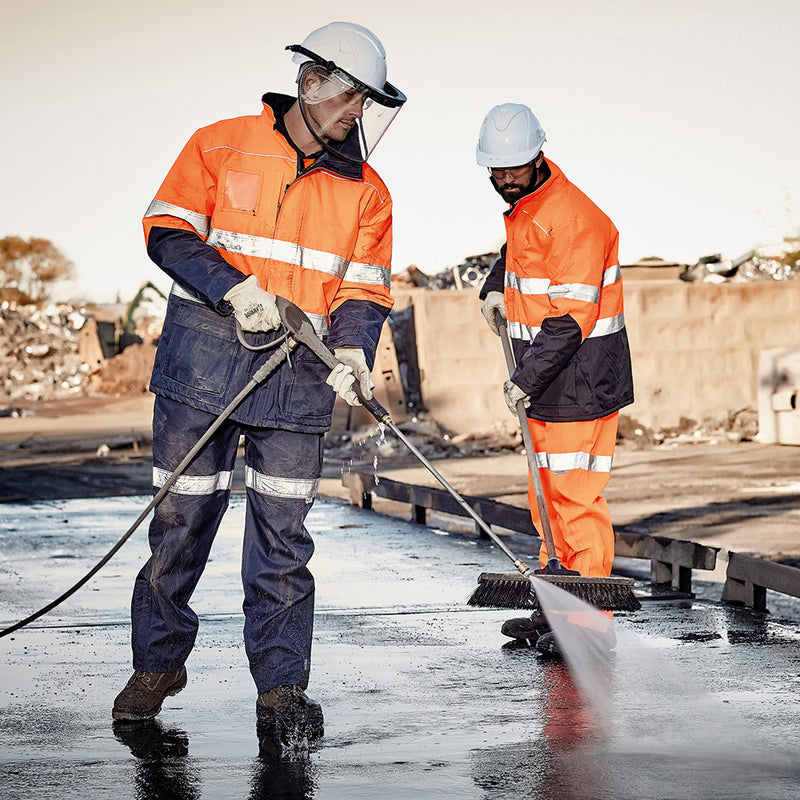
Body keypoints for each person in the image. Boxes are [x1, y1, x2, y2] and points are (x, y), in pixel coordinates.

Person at [112, 22, 406, 739]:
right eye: (348, 98)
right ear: (311, 84)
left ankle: (280, 688)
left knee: (283, 539)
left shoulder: (368, 192)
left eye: (366, 103)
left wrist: (355, 353)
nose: (355, 114)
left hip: (299, 376)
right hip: (204, 365)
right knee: (180, 524)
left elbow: (364, 291)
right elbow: (167, 228)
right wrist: (230, 288)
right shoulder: (220, 142)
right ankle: (157, 663)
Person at [475, 103, 633, 654]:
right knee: (544, 497)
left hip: (579, 382)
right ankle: (554, 609)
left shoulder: (574, 217)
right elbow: (516, 255)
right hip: (546, 381)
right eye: (496, 171)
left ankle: (588, 629)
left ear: (538, 155)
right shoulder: (529, 206)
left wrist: (525, 378)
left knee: (573, 497)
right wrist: (494, 285)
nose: (504, 179)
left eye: (513, 169)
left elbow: (572, 317)